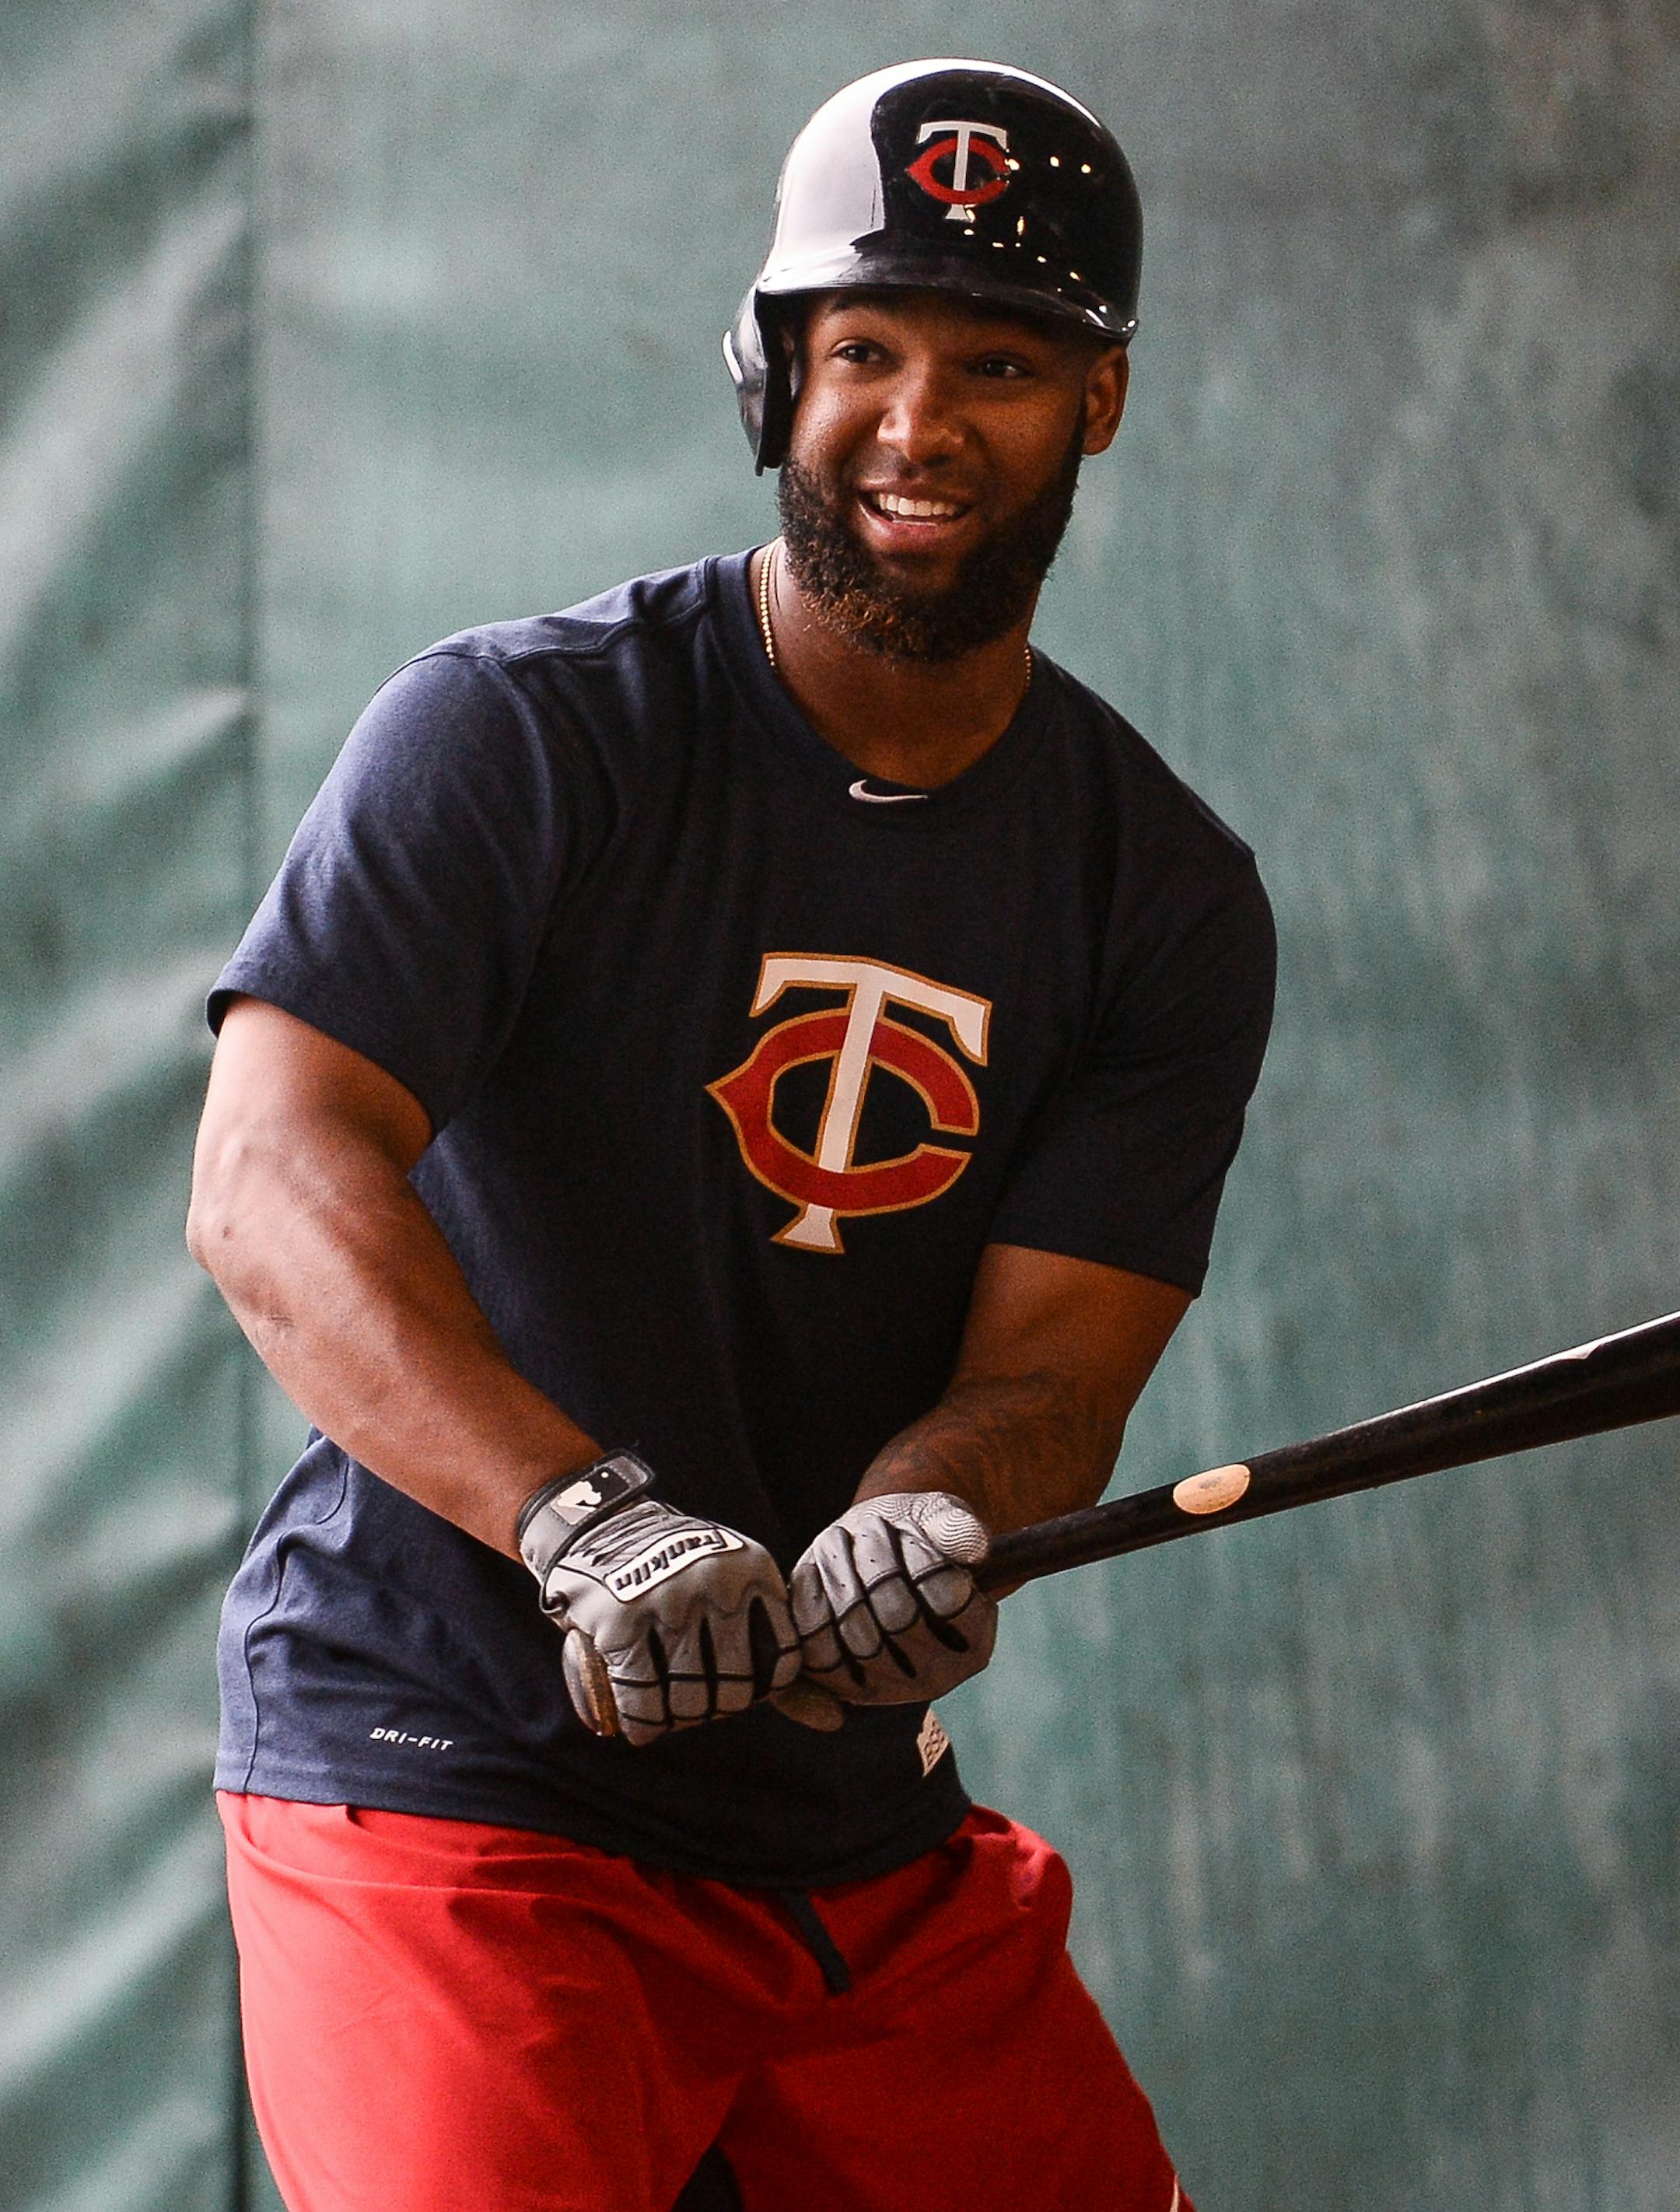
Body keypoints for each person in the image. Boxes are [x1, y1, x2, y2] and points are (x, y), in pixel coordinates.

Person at [188, 58, 1274, 2212]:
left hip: (843, 1827)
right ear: (768, 377)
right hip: (451, 1769)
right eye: (861, 347)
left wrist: (929, 1515)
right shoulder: (520, 737)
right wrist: (584, 1521)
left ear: (1103, 405)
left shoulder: (1162, 893)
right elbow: (270, 1175)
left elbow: (1052, 1373)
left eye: (1001, 361)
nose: (918, 421)